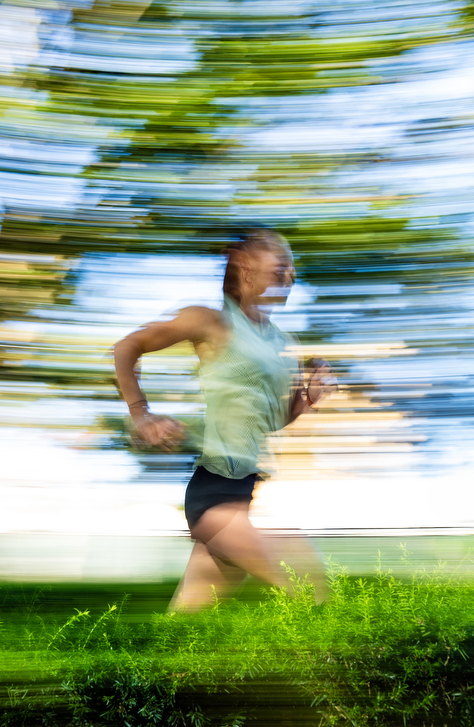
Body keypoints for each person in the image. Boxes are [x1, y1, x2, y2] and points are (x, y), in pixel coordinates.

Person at [113, 228, 334, 610]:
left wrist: (307, 399)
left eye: (292, 267)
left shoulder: (285, 343)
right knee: (307, 578)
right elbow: (127, 347)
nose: (290, 272)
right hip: (213, 494)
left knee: (183, 629)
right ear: (246, 267)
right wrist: (141, 414)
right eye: (280, 261)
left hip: (244, 491)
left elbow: (269, 420)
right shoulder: (210, 321)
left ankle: (131, 669)